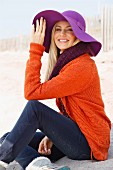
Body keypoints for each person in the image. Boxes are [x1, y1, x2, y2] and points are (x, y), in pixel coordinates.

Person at [0, 9, 111, 170]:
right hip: (77, 134)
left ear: (78, 36)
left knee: (35, 109)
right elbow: (73, 111)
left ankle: (3, 159)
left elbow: (31, 92)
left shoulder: (81, 66)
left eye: (69, 29)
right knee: (8, 138)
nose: (62, 34)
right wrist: (51, 135)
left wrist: (36, 49)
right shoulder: (68, 63)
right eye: (58, 29)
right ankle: (38, 165)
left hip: (90, 143)